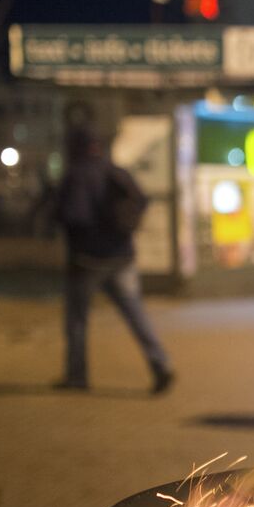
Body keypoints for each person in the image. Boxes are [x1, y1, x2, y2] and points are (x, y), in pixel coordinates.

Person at [55, 121, 173, 394]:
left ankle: (77, 376)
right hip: (122, 256)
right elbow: (141, 200)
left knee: (77, 320)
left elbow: (75, 216)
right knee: (135, 313)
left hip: (86, 261)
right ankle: (161, 364)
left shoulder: (77, 175)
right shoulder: (114, 171)